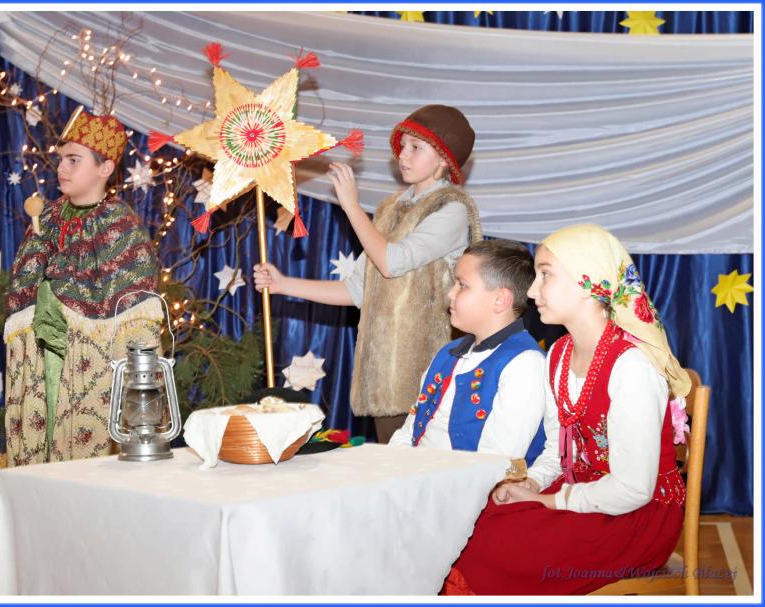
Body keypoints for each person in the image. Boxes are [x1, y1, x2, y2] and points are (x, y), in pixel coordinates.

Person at [442, 224, 690, 595]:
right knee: (466, 523)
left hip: (637, 517)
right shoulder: (558, 355)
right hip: (583, 493)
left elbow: (634, 489)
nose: (531, 291)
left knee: (492, 548)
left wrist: (547, 501)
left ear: (590, 283)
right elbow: (558, 451)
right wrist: (531, 483)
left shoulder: (632, 367)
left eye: (546, 275)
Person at [254, 105, 482, 442]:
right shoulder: (391, 208)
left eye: (416, 147)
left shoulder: (451, 209)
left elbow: (392, 262)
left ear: (444, 159)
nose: (403, 155)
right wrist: (284, 284)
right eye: (401, 146)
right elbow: (357, 289)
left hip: (427, 375)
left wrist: (351, 206)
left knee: (421, 468)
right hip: (384, 378)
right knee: (390, 465)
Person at [4, 107, 163, 466]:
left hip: (87, 371)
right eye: (62, 159)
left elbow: (134, 310)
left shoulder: (119, 226)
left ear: (105, 168)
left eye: (74, 160)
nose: (62, 168)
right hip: (41, 361)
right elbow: (23, 285)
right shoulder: (47, 218)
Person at [388, 239, 545, 463]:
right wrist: (392, 465)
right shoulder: (448, 352)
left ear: (500, 300)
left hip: (461, 480)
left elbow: (496, 461)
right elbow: (410, 430)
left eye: (462, 285)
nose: (451, 294)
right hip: (417, 472)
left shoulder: (525, 364)